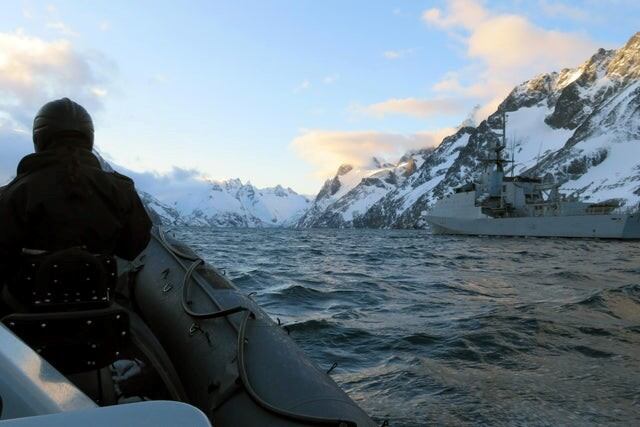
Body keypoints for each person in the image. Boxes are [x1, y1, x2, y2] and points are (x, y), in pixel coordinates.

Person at [0, 98, 152, 309]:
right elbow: (133, 247)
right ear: (88, 138)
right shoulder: (120, 189)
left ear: (39, 138)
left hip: (23, 310)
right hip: (99, 308)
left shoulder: (13, 193)